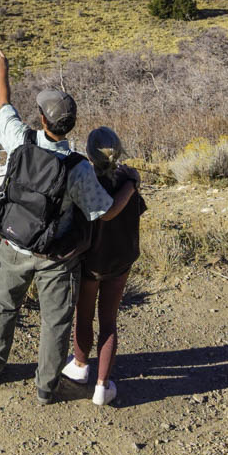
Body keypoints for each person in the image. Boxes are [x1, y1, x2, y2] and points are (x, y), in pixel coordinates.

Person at [0, 53, 135, 404]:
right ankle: (46, 385)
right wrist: (130, 186)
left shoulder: (20, 141)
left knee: (3, 306)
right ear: (71, 126)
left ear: (41, 119)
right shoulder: (79, 168)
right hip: (57, 257)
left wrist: (2, 70)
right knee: (55, 322)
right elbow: (106, 212)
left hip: (15, 245)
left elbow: (2, 103)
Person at [63, 126, 145, 406]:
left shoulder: (85, 182)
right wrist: (131, 182)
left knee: (83, 317)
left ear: (89, 152)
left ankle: (80, 365)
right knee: (109, 321)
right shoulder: (127, 181)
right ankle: (103, 385)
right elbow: (136, 211)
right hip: (120, 260)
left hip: (90, 264)